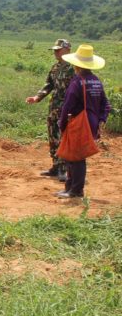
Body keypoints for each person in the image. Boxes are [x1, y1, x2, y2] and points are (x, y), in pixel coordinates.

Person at [56, 44, 110, 199]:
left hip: (79, 123)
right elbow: (106, 104)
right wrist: (101, 120)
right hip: (91, 123)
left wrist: (62, 123)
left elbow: (68, 105)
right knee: (73, 156)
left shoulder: (77, 82)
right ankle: (69, 188)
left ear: (76, 65)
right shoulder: (96, 81)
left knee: (76, 158)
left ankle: (76, 191)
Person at [25, 39, 74, 182]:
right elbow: (49, 85)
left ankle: (64, 168)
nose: (55, 52)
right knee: (53, 136)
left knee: (64, 138)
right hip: (54, 108)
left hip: (67, 109)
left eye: (58, 49)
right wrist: (37, 97)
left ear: (67, 49)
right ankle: (55, 166)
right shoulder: (55, 67)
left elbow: (79, 90)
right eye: (55, 50)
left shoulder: (74, 68)